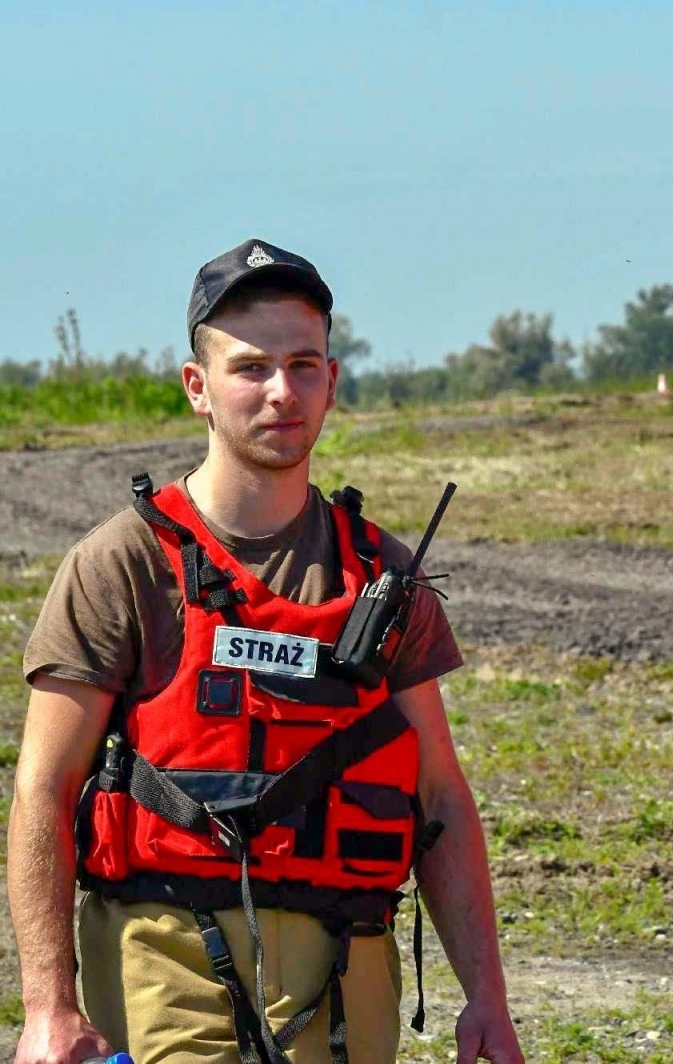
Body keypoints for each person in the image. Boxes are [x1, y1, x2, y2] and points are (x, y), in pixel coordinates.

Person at [9, 240, 523, 1064]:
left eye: (303, 365)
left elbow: (440, 795)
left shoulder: (384, 577)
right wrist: (47, 1007)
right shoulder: (122, 565)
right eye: (250, 368)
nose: (282, 391)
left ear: (332, 380)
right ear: (197, 387)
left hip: (345, 968)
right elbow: (44, 787)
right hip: (165, 958)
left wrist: (487, 999)